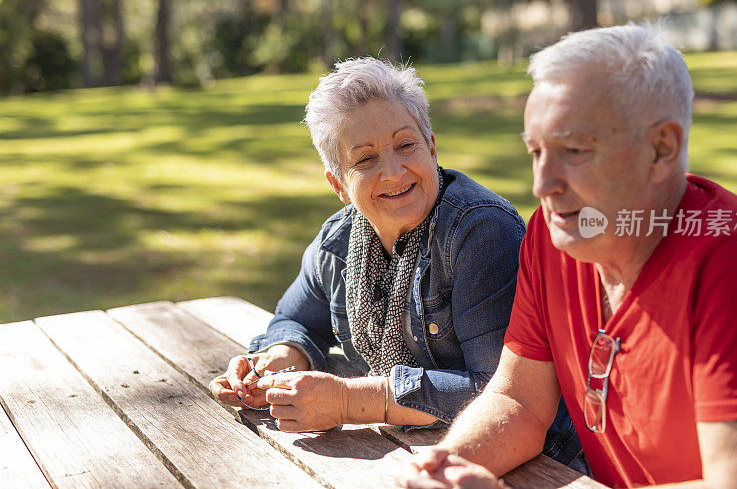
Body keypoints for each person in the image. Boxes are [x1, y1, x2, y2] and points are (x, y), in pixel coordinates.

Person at [401, 24, 737, 488]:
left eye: (574, 151)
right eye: (536, 152)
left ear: (661, 149)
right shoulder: (552, 235)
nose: (542, 184)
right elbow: (518, 403)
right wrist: (446, 465)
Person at [208, 57, 582, 467]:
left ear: (432, 147)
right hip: (406, 455)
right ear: (338, 183)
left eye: (406, 145)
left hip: (527, 464)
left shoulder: (480, 233)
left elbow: (501, 393)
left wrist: (350, 400)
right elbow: (295, 320)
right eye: (365, 159)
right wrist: (276, 363)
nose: (392, 171)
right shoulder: (338, 241)